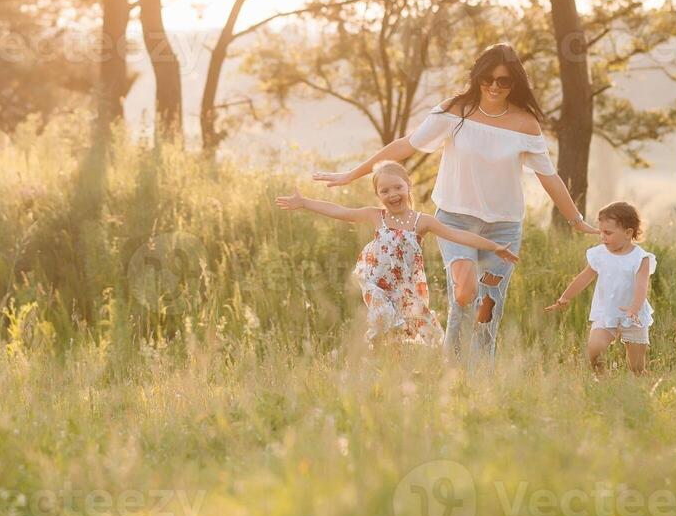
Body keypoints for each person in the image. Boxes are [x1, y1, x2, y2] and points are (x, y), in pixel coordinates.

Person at [313, 42, 597, 364]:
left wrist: (576, 219)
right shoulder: (454, 111)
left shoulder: (525, 124)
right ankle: (453, 366)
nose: (493, 86)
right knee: (464, 291)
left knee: (488, 305)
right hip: (454, 220)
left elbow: (549, 176)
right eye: (487, 78)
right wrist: (352, 174)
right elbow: (406, 145)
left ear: (514, 83)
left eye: (503, 81)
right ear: (477, 77)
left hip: (503, 227)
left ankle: (475, 377)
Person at [274, 160, 520, 347]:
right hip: (376, 283)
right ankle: (383, 365)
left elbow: (459, 235)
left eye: (397, 187)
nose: (392, 195)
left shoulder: (422, 222)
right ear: (378, 195)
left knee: (426, 333)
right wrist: (305, 203)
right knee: (384, 318)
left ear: (408, 185)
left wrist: (493, 246)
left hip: (405, 287)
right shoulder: (376, 216)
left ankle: (428, 371)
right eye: (384, 191)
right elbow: (339, 210)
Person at [546, 201, 655, 375]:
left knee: (636, 367)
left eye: (608, 233)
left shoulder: (640, 258)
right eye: (601, 231)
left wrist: (634, 309)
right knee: (594, 349)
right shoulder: (600, 254)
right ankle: (602, 381)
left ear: (628, 233)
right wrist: (565, 297)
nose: (602, 237)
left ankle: (645, 383)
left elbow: (642, 287)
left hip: (633, 315)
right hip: (607, 311)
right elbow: (584, 277)